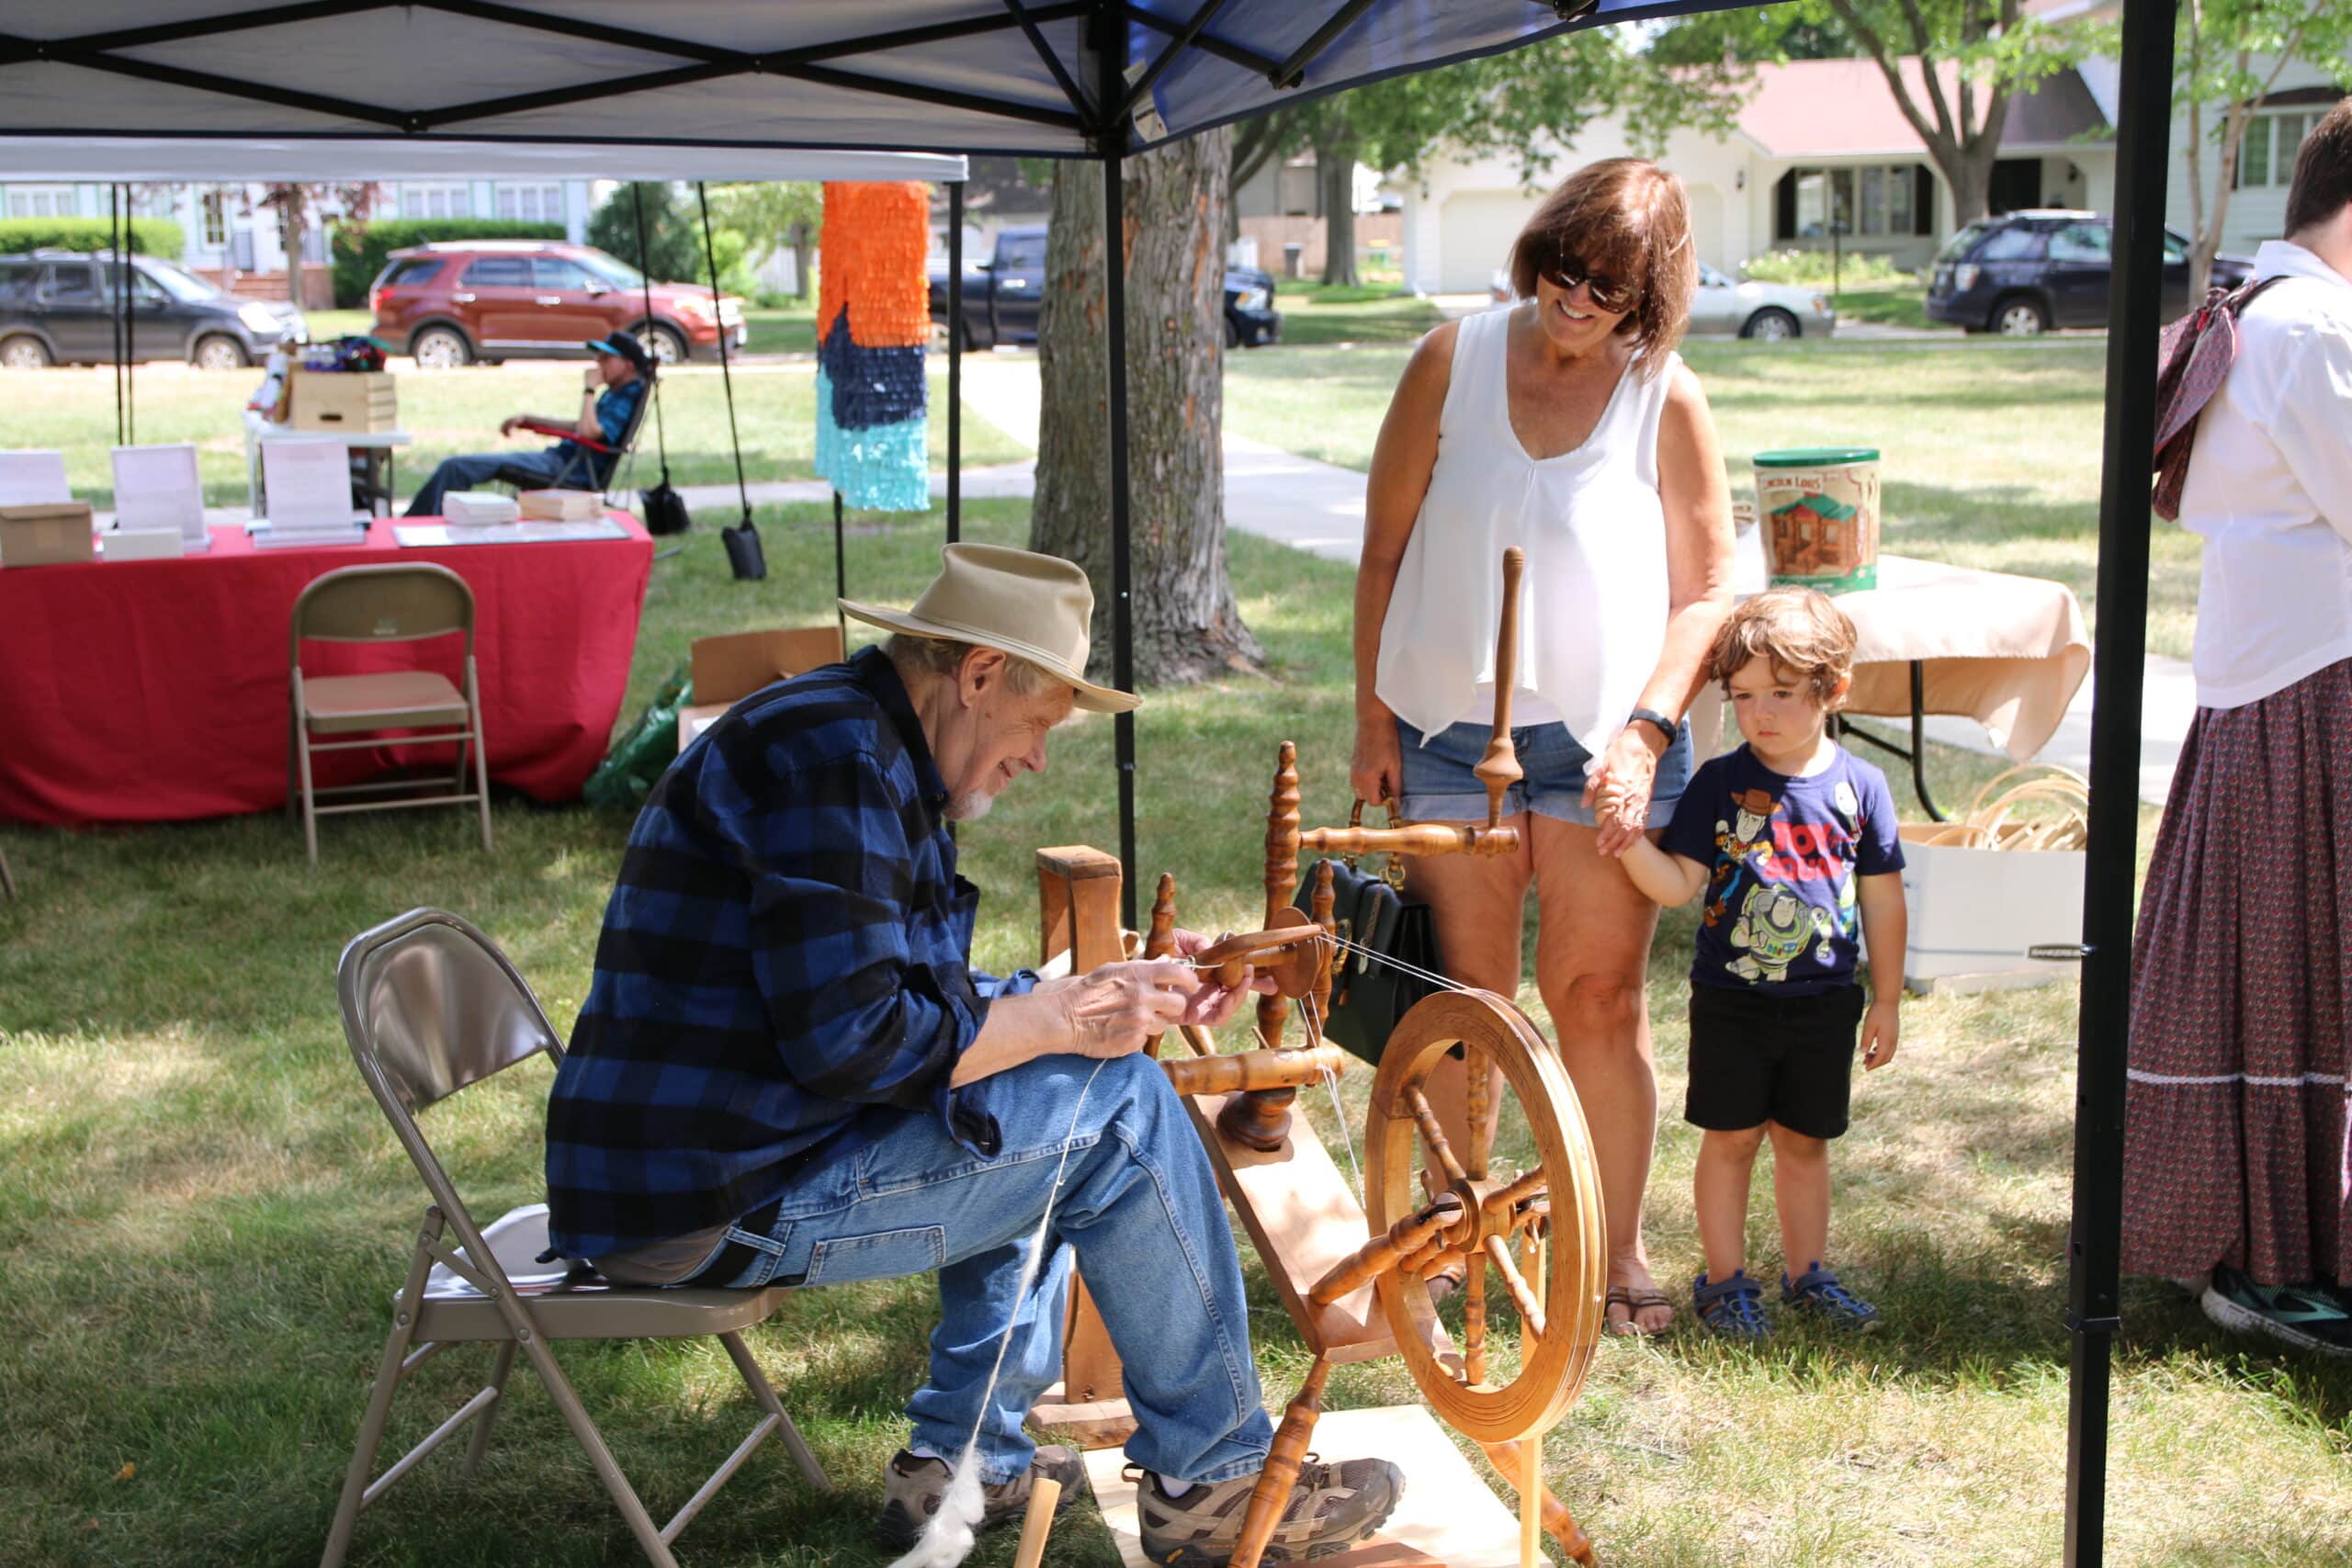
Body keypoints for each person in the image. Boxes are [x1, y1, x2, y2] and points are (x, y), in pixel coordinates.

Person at [544, 544, 1406, 1562]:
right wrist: (1066, 1020)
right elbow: (859, 1046)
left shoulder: (862, 745)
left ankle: (964, 1462)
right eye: (1039, 723)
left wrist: (1103, 991)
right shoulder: (838, 763)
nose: (1039, 756)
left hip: (710, 1157)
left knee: (1058, 1093)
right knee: (1119, 1114)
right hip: (700, 1198)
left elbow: (905, 1003)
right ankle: (1211, 1486)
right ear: (980, 675)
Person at [1350, 157, 1736, 1336]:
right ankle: (1456, 1230)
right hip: (1445, 727)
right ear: (1538, 254)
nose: (1579, 304)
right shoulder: (1447, 362)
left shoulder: (1664, 395)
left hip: (1603, 736)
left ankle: (1611, 1251)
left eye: (1610, 291)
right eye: (1566, 274)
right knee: (1470, 999)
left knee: (1598, 998)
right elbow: (1382, 550)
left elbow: (1709, 590)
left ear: (1649, 299)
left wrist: (1647, 731)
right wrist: (1370, 715)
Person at [2126, 96, 2352, 1356]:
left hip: (2280, 682)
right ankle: (2278, 1250)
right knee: (2300, 977)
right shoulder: (2312, 326)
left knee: (2282, 973)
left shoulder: (2271, 312)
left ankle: (2277, 1241)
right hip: (2313, 684)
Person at [1611, 589, 1905, 1337]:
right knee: (1733, 1137)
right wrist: (1627, 843)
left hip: (1825, 1001)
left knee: (1805, 1141)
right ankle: (1722, 1282)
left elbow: (1883, 898)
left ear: (1833, 689)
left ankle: (1810, 1276)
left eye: (1780, 693)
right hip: (1731, 999)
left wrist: (1889, 1001)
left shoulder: (1860, 787)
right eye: (1742, 696)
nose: (1759, 713)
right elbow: (1679, 885)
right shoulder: (1718, 782)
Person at [402, 331, 650, 516]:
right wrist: (530, 420)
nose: (599, 362)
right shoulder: (616, 392)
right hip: (558, 460)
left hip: (569, 469)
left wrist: (588, 389)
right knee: (457, 466)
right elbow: (581, 426)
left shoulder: (627, 395)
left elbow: (589, 431)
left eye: (607, 358)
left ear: (628, 365)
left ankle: (415, 528)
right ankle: (413, 525)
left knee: (456, 467)